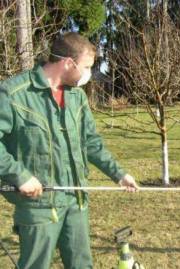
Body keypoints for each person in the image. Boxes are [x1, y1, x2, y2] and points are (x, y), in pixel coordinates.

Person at [0, 32, 138, 269]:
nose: (89, 74)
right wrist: (20, 176)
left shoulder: (77, 98)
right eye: (86, 67)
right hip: (38, 207)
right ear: (68, 63)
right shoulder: (14, 94)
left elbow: (91, 142)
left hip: (77, 202)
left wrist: (119, 174)